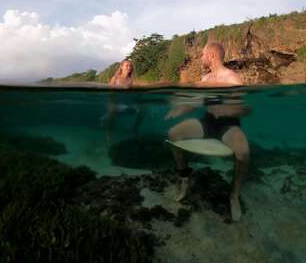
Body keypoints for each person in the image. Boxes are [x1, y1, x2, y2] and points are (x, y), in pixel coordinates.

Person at [165, 42, 249, 222]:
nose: (201, 57)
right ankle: (184, 178)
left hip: (228, 125)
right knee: (173, 134)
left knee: (243, 152)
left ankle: (234, 195)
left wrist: (227, 110)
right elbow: (197, 102)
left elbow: (242, 109)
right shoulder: (205, 79)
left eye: (203, 54)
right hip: (208, 122)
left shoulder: (232, 78)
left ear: (211, 56)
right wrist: (180, 109)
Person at [102, 60, 145, 141]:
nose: (129, 67)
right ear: (121, 67)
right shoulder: (115, 78)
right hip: (116, 104)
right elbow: (109, 92)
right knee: (112, 113)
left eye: (130, 66)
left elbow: (139, 90)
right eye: (127, 65)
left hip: (129, 104)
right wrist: (111, 104)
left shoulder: (132, 80)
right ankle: (109, 133)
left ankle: (135, 128)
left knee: (143, 109)